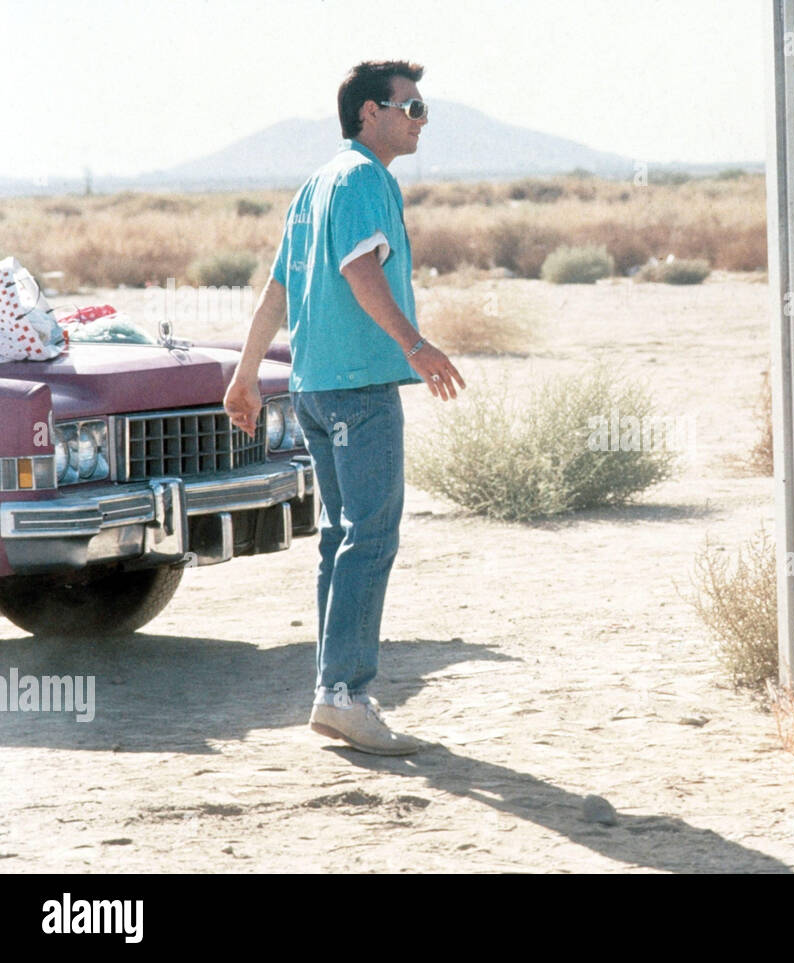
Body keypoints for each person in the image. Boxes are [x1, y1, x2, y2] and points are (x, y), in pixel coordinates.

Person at [224, 60, 464, 754]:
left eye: (423, 109)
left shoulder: (314, 185)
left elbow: (277, 291)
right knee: (369, 535)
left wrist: (245, 377)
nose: (420, 120)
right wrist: (415, 345)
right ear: (369, 112)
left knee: (340, 537)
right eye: (410, 107)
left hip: (314, 388)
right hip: (358, 388)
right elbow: (360, 270)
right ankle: (345, 694)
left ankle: (334, 693)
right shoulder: (362, 179)